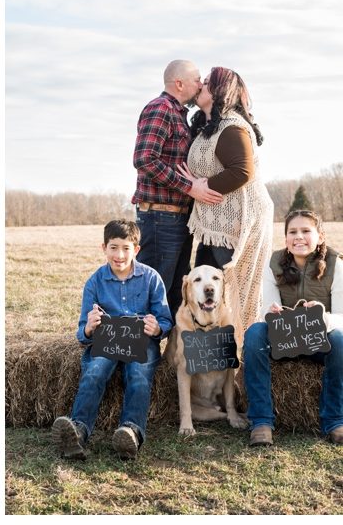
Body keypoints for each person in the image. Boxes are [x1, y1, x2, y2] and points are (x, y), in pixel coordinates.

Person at [52, 219, 172, 460]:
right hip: (107, 340)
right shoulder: (95, 282)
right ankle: (78, 430)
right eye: (114, 247)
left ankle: (131, 432)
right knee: (95, 371)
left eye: (126, 248)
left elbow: (165, 321)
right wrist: (89, 328)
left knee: (138, 375)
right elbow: (82, 333)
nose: (119, 255)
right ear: (104, 248)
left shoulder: (151, 278)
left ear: (136, 250)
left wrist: (157, 328)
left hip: (140, 341)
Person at [178, 66, 273, 345]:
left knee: (235, 293)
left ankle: (242, 360)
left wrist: (202, 188)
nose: (200, 87)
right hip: (214, 224)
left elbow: (242, 171)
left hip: (237, 223)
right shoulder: (210, 126)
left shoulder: (231, 127)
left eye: (207, 83)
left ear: (220, 91)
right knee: (207, 287)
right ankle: (207, 360)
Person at [241, 209, 343, 446]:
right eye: (292, 232)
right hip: (284, 339)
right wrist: (273, 314)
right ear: (285, 238)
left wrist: (322, 316)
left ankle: (335, 421)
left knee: (340, 340)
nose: (299, 237)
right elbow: (267, 308)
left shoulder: (335, 265)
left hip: (320, 341)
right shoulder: (274, 263)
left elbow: (341, 316)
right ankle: (261, 422)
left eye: (306, 231)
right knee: (255, 333)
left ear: (320, 236)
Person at [132, 59, 223, 319]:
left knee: (174, 291)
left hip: (178, 217)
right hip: (161, 217)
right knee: (154, 289)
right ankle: (143, 354)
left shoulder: (180, 114)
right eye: (197, 80)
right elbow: (144, 158)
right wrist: (189, 187)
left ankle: (170, 354)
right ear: (179, 83)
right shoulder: (160, 108)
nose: (200, 85)